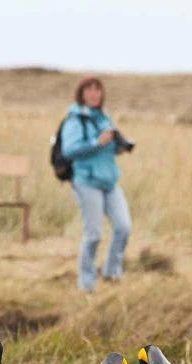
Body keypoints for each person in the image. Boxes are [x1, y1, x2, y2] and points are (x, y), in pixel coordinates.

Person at [60, 77, 132, 293]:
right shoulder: (75, 120)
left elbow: (105, 149)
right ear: (81, 94)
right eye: (89, 90)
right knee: (93, 235)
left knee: (123, 227)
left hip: (109, 180)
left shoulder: (104, 117)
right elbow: (69, 150)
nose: (94, 94)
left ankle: (111, 272)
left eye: (97, 90)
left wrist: (117, 148)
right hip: (86, 181)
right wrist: (96, 142)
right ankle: (86, 284)